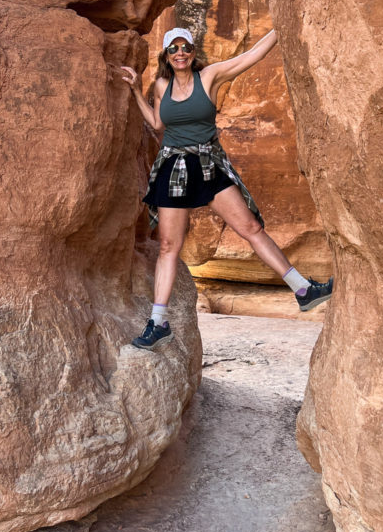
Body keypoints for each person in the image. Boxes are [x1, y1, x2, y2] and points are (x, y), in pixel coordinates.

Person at [120, 26, 333, 349]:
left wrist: (283, 21)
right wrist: (137, 90)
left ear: (193, 52)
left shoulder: (210, 76)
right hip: (174, 169)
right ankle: (158, 322)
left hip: (207, 166)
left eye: (186, 47)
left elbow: (252, 56)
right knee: (168, 246)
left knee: (249, 227)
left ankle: (303, 289)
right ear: (166, 55)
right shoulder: (162, 85)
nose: (180, 53)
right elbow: (157, 124)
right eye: (174, 48)